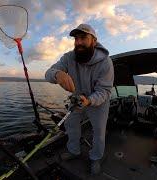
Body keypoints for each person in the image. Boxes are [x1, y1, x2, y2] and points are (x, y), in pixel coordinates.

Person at [45, 24, 114, 175]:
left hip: (98, 103)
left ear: (94, 41)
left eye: (83, 38)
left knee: (99, 132)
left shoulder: (106, 62)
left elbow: (105, 91)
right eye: (76, 38)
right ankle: (74, 150)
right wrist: (58, 74)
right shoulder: (69, 57)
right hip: (77, 100)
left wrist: (89, 100)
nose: (78, 42)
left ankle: (96, 158)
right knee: (71, 124)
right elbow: (48, 73)